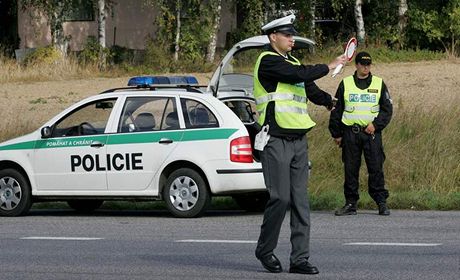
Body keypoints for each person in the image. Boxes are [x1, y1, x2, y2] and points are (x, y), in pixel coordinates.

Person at [253, 14, 346, 274]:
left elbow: (307, 87)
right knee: (280, 198)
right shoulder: (267, 61)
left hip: (298, 140)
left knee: (300, 202)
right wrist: (329, 65)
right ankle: (265, 249)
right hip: (276, 140)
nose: (292, 38)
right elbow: (297, 73)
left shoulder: (292, 61)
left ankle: (300, 259)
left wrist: (329, 101)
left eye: (292, 34)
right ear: (273, 37)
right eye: (287, 34)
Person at [329, 51, 393, 216]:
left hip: (371, 133)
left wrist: (376, 125)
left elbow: (387, 110)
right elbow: (337, 109)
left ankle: (381, 202)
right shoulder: (345, 84)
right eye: (363, 64)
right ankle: (350, 203)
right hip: (350, 133)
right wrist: (336, 133)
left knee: (376, 168)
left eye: (368, 64)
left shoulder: (379, 84)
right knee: (350, 169)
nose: (366, 67)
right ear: (356, 65)